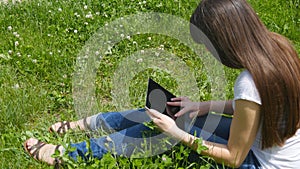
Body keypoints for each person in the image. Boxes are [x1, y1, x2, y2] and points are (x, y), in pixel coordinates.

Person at [24, 0, 300, 168]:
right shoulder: (278, 47)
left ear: (225, 40)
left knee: (161, 130)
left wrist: (177, 134)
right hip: (267, 146)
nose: (207, 52)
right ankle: (93, 123)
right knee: (166, 110)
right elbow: (254, 107)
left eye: (207, 44)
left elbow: (234, 158)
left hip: (257, 162)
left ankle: (69, 156)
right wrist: (202, 106)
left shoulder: (247, 82)